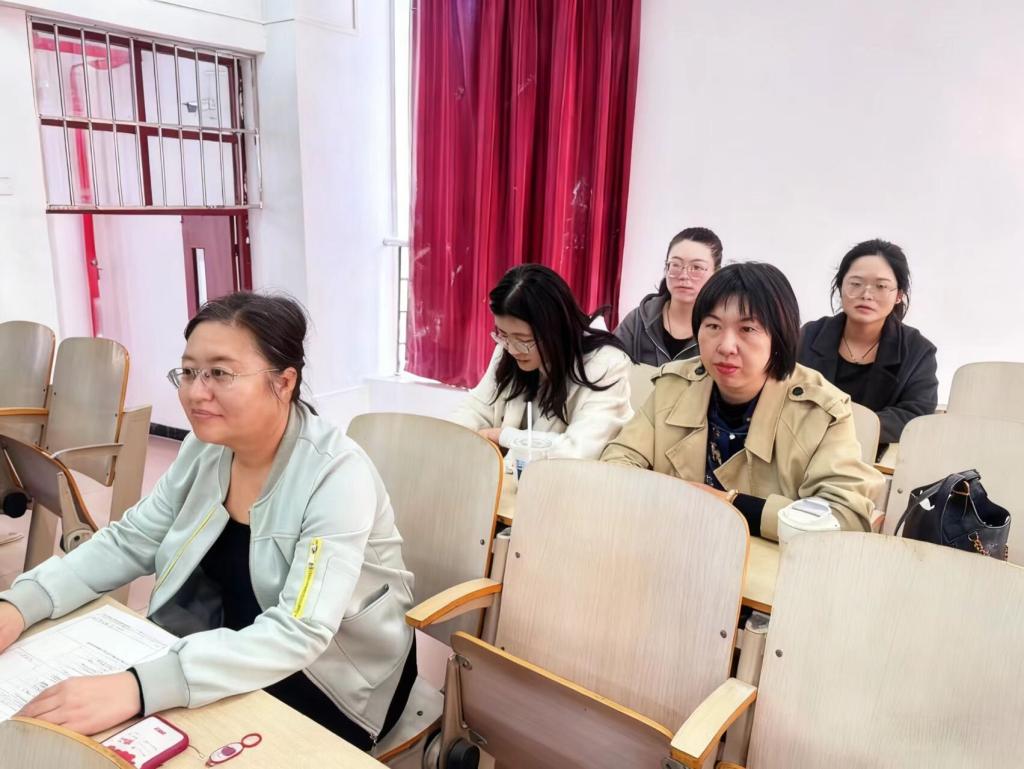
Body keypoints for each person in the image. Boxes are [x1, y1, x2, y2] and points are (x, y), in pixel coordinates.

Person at [0, 293, 416, 748]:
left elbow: (301, 631)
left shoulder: (336, 475)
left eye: (219, 373)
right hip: (225, 645)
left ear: (284, 382)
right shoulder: (205, 447)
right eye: (189, 372)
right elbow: (131, 539)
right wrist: (21, 604)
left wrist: (138, 687)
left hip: (330, 677)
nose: (196, 392)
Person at [602, 262, 884, 540]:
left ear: (779, 336)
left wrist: (730, 504)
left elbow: (843, 516)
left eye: (747, 329)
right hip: (672, 546)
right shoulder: (674, 385)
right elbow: (617, 464)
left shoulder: (821, 411)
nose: (726, 346)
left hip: (768, 564)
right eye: (713, 325)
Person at [451, 264, 632, 461]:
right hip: (512, 476)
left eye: (523, 339)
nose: (512, 350)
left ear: (554, 329)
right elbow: (477, 408)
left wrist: (505, 437)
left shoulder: (606, 364)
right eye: (503, 335)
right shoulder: (509, 347)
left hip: (568, 478)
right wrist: (451, 438)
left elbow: (579, 451)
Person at [798, 238, 938, 446]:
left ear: (899, 295)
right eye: (856, 284)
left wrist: (846, 426)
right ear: (840, 286)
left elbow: (915, 415)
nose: (866, 295)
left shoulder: (918, 351)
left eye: (881, 286)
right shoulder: (808, 336)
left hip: (875, 457)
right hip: (805, 449)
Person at [614, 227, 723, 365]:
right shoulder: (638, 320)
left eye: (697, 267)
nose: (683, 276)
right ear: (666, 268)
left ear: (716, 273)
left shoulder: (722, 327)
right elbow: (608, 365)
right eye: (676, 265)